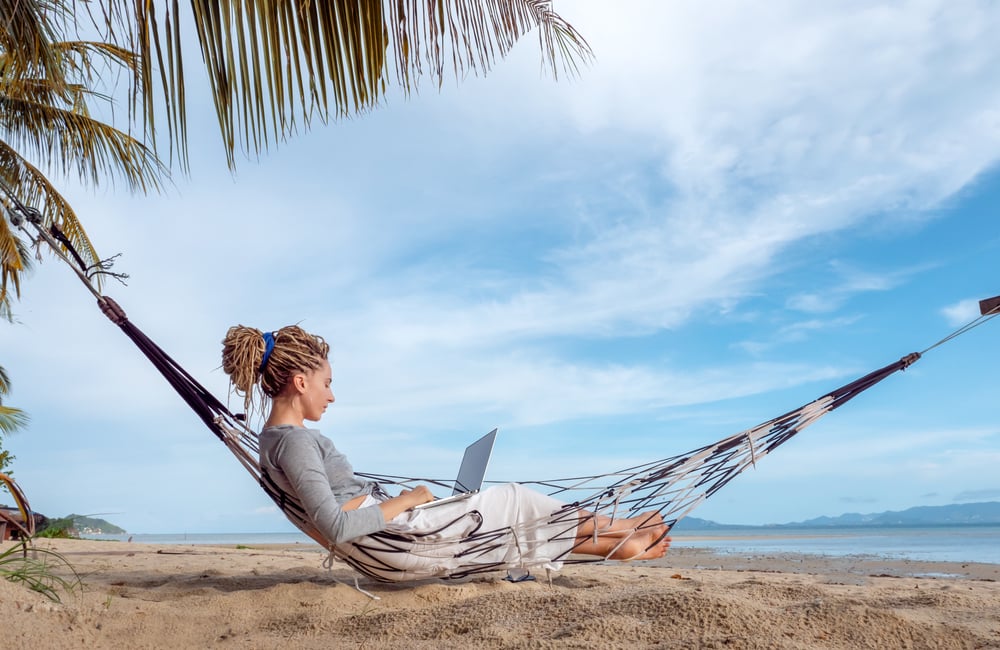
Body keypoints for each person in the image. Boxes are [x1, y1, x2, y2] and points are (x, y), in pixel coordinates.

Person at [221, 324, 671, 581]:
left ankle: (618, 536)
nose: (331, 396)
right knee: (514, 499)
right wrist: (412, 498)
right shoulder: (295, 442)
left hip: (391, 541)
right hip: (397, 540)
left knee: (502, 515)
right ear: (300, 383)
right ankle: (621, 531)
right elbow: (335, 526)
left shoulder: (274, 439)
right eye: (327, 383)